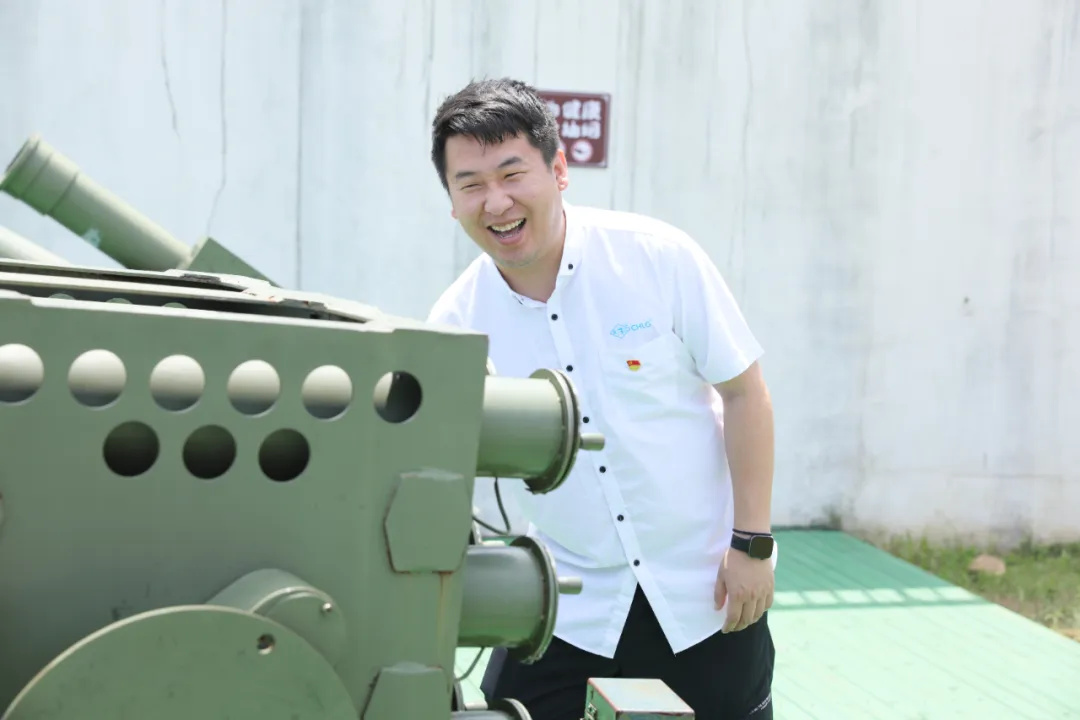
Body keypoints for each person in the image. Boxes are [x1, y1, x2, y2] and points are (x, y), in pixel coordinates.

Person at [426, 77, 778, 720]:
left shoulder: (658, 258)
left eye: (513, 173)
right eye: (470, 184)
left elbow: (744, 393)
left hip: (705, 591)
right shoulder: (456, 325)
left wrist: (751, 544)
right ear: (451, 202)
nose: (496, 201)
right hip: (566, 602)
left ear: (559, 169)